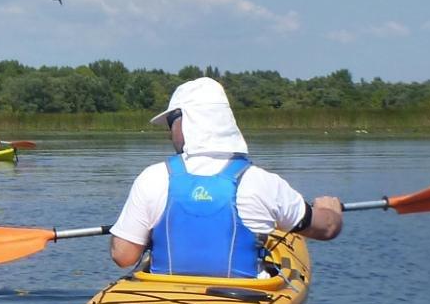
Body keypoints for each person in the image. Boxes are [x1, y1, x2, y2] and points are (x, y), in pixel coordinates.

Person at [109, 77, 342, 276]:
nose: (169, 131)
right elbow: (327, 228)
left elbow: (123, 256)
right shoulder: (261, 182)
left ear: (185, 121)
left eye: (171, 122)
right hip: (240, 301)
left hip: (164, 300)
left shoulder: (153, 178)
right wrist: (330, 210)